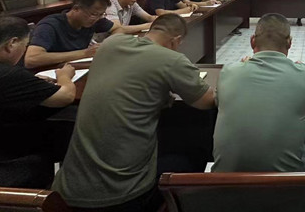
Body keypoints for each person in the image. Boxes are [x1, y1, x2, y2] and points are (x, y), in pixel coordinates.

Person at [52, 14, 215, 212]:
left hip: (67, 190)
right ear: (176, 40)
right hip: (124, 196)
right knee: (194, 145)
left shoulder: (110, 44)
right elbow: (206, 101)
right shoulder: (172, 59)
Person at [212, 13, 305, 172]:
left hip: (224, 184)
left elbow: (218, 102)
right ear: (289, 43)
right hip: (284, 185)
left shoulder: (228, 72)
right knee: (304, 151)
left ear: (252, 41)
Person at [0, 16, 76, 188]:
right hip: (0, 155)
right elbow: (65, 96)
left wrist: (30, 83)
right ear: (12, 44)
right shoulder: (7, 74)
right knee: (69, 126)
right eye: (25, 46)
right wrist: (64, 76)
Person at [24, 0, 123, 68]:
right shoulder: (50, 25)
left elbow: (119, 29)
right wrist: (84, 53)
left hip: (72, 68)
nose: (97, 18)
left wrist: (106, 43)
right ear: (76, 9)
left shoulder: (95, 20)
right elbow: (31, 59)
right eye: (94, 14)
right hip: (48, 73)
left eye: (101, 14)